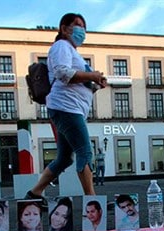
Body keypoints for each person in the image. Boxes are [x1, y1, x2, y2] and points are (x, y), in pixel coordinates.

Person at [25, 13, 108, 203]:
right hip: (66, 107)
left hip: (69, 107)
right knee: (84, 151)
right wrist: (92, 76)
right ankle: (93, 202)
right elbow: (63, 73)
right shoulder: (61, 46)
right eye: (77, 25)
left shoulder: (73, 52)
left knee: (64, 158)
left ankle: (34, 193)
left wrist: (95, 83)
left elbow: (77, 82)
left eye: (83, 27)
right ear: (64, 28)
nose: (81, 30)